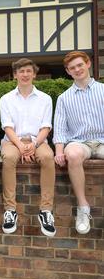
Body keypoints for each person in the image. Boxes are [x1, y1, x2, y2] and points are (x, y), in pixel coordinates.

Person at [0, 58, 55, 236]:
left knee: (47, 157)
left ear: (34, 74)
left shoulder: (45, 99)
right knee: (8, 158)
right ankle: (10, 210)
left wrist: (33, 144)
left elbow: (46, 126)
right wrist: (21, 146)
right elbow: (7, 127)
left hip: (37, 140)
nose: (25, 74)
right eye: (21, 71)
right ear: (15, 75)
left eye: (28, 71)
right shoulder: (6, 99)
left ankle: (45, 211)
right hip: (12, 141)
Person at [53, 51, 104, 234]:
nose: (77, 69)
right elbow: (59, 128)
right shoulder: (64, 98)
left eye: (80, 65)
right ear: (68, 71)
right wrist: (59, 151)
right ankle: (83, 208)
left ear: (88, 64)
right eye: (72, 68)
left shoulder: (103, 90)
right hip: (79, 142)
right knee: (72, 154)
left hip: (103, 140)